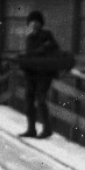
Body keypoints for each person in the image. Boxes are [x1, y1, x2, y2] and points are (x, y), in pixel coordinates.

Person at [19, 11, 59, 139]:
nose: (34, 24)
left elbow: (52, 50)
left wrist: (38, 51)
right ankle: (31, 128)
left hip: (44, 74)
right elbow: (29, 54)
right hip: (31, 73)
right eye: (31, 22)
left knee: (41, 100)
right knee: (29, 100)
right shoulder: (29, 37)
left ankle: (47, 129)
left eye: (36, 21)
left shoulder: (47, 35)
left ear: (41, 23)